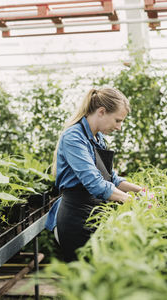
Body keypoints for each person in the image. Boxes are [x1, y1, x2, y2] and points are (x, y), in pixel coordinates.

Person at [45, 87, 142, 262]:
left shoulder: (98, 138)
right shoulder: (74, 137)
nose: (119, 127)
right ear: (101, 112)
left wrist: (141, 191)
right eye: (118, 120)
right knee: (84, 279)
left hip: (94, 214)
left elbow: (110, 178)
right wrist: (132, 201)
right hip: (75, 218)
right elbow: (95, 183)